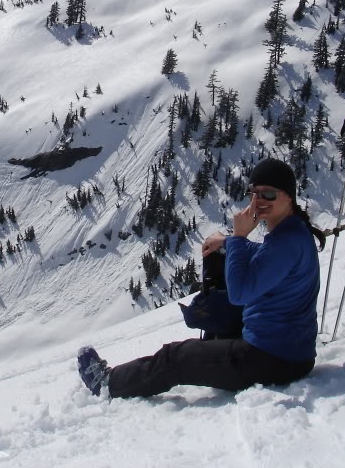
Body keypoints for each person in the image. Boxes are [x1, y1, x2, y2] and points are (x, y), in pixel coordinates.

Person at [77, 157, 326, 398]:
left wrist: (238, 238)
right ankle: (215, 341)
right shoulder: (291, 232)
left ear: (288, 196)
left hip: (270, 360)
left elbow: (240, 294)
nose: (259, 200)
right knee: (221, 259)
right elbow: (265, 255)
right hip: (288, 349)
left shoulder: (286, 243)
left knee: (175, 358)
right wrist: (227, 242)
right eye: (254, 192)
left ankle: (110, 384)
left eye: (268, 194)